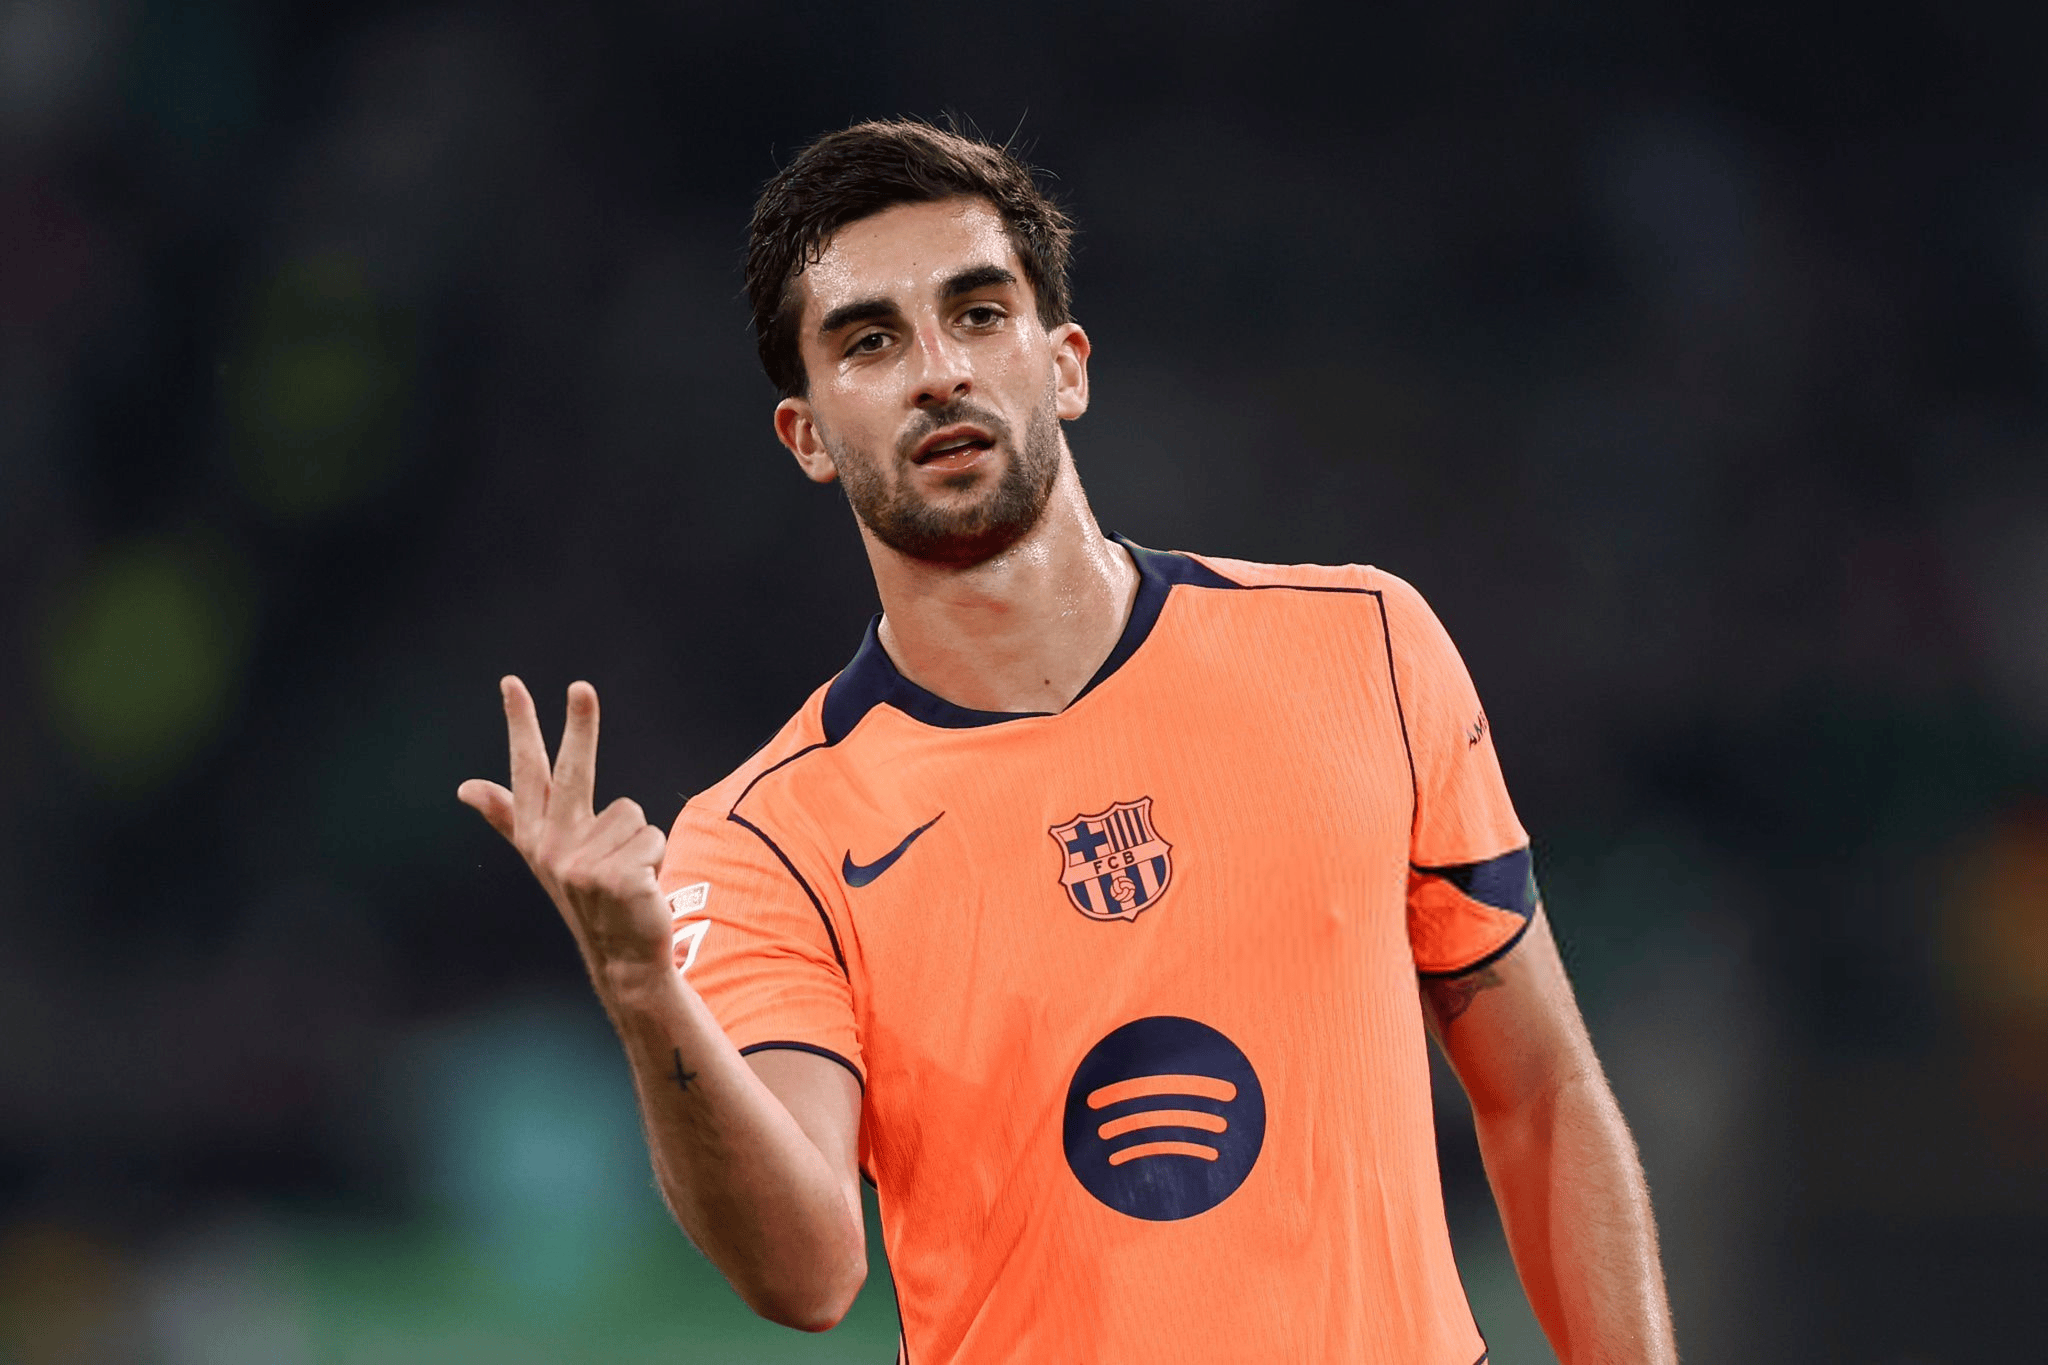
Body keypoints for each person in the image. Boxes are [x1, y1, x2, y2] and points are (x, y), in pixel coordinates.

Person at [458, 119, 1679, 1364]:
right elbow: (805, 1273)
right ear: (807, 436)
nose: (938, 371)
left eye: (978, 313)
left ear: (1066, 365)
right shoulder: (765, 840)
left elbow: (1538, 1096)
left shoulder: (1363, 646)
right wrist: (641, 992)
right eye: (870, 341)